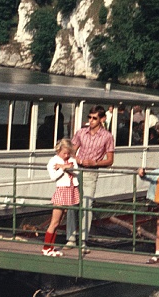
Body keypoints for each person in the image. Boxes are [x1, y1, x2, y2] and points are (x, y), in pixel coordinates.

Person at [65, 105, 115, 253]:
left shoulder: (107, 136)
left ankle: (83, 241)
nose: (91, 121)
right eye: (90, 117)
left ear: (102, 119)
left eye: (94, 118)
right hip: (77, 171)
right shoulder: (81, 132)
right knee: (72, 204)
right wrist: (78, 159)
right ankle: (71, 238)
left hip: (91, 173)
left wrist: (95, 163)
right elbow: (71, 151)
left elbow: (110, 160)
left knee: (86, 206)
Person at [42, 138, 79, 256]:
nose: (67, 155)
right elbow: (53, 177)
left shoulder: (71, 159)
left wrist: (65, 166)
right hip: (62, 191)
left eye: (69, 153)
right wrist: (63, 169)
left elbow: (77, 171)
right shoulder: (53, 161)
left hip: (71, 190)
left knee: (59, 222)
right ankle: (46, 248)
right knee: (54, 221)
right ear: (58, 151)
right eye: (64, 153)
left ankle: (51, 248)